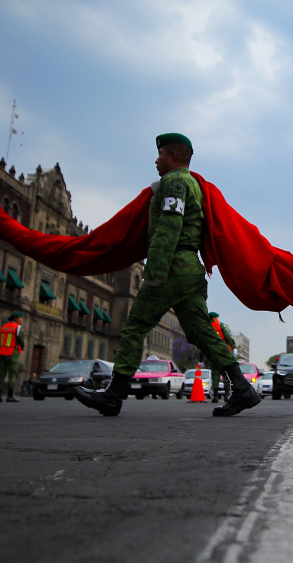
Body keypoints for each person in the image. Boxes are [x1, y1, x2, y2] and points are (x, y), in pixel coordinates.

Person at [75, 133, 260, 417]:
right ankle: (242, 387)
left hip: (172, 265)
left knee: (135, 326)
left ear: (173, 156)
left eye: (160, 154)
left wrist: (155, 271)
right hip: (191, 269)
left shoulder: (174, 182)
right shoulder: (194, 185)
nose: (156, 159)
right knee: (201, 332)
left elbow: (169, 226)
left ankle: (113, 395)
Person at [0, 312, 25, 403]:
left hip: (2, 352)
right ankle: (10, 396)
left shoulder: (3, 327)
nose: (22, 320)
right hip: (12, 352)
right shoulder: (18, 327)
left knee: (1, 374)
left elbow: (0, 339)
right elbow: (21, 340)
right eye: (20, 318)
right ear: (15, 319)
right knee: (12, 374)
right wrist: (21, 348)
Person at [208, 311, 236, 403]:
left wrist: (201, 358)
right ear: (214, 318)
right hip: (224, 351)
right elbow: (227, 337)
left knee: (215, 375)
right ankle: (226, 396)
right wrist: (233, 347)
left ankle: (215, 397)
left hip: (213, 352)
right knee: (226, 374)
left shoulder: (207, 327)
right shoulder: (220, 325)